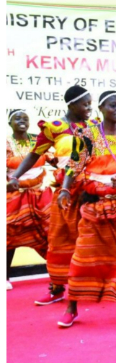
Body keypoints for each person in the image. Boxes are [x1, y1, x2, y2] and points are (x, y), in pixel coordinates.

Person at [54, 91, 116, 328]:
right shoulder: (85, 136)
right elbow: (73, 167)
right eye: (113, 105)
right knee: (84, 255)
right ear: (101, 108)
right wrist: (66, 190)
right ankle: (72, 307)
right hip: (95, 203)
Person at [7, 86, 99, 304]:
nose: (89, 108)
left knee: (94, 238)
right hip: (65, 191)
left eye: (90, 104)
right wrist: (14, 177)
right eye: (85, 104)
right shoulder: (55, 128)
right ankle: (57, 287)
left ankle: (97, 285)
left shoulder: (96, 126)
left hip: (92, 191)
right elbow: (34, 154)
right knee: (59, 239)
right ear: (71, 104)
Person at [6, 110, 52, 290]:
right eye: (17, 118)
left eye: (25, 118)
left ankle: (56, 274)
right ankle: (5, 276)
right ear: (10, 123)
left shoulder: (38, 141)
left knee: (50, 233)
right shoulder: (6, 143)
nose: (22, 121)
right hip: (15, 194)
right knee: (9, 235)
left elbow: (54, 159)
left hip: (40, 194)